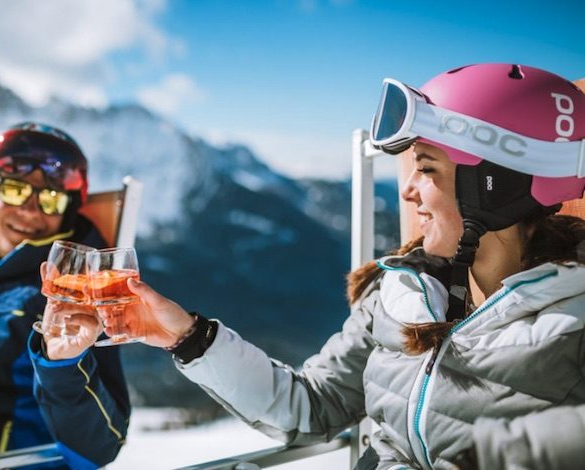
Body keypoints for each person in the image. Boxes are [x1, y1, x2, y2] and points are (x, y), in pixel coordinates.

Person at [103, 63, 585, 469]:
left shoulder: (573, 318)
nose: (407, 189)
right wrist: (186, 336)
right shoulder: (400, 293)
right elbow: (314, 406)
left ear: (494, 186)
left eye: (428, 168)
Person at [0, 122, 130, 468]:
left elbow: (102, 445)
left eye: (51, 199)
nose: (31, 211)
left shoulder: (65, 299)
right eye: (15, 190)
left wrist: (63, 363)